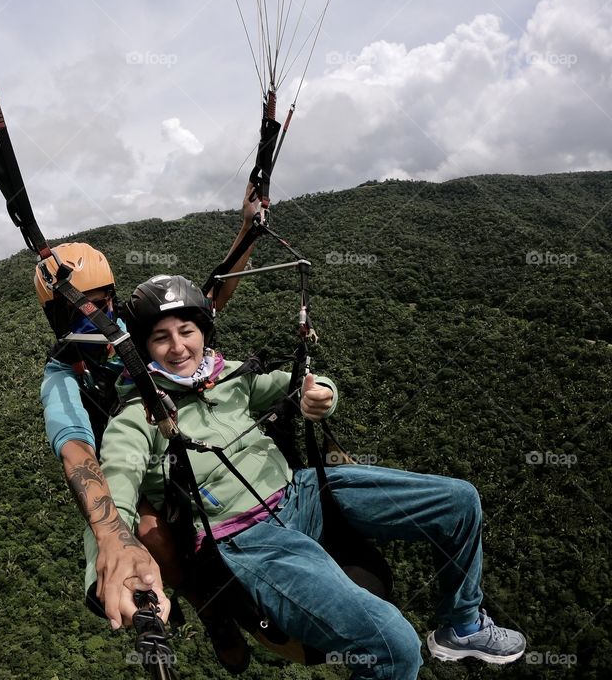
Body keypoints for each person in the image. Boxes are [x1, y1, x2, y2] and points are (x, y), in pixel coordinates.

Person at [86, 274, 527, 679]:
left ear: (203, 331)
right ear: (144, 349)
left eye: (186, 331)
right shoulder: (138, 417)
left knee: (459, 501)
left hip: (303, 492)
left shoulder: (229, 377)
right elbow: (114, 487)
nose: (178, 347)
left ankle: (462, 626)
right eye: (161, 338)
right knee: (395, 646)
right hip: (249, 538)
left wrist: (322, 394)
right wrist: (111, 556)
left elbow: (302, 383)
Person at [36, 188, 260, 670]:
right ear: (58, 317)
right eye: (78, 310)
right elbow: (76, 450)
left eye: (101, 304)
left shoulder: (129, 331)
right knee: (149, 532)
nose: (94, 318)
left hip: (178, 435)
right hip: (127, 467)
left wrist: (247, 230)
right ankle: (209, 609)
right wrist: (110, 536)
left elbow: (209, 300)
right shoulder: (64, 377)